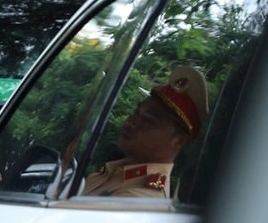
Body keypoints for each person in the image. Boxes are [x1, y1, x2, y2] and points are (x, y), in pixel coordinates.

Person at [83, 64, 210, 198]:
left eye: (149, 122)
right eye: (136, 113)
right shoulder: (115, 172)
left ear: (178, 140)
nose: (131, 123)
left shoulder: (140, 197)